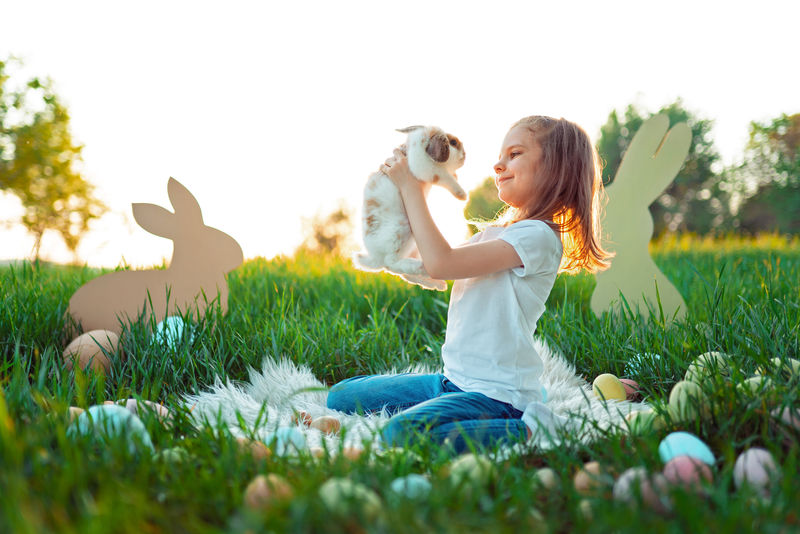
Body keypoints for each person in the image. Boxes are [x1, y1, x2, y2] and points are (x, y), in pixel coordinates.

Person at [327, 116, 611, 453]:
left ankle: (532, 430)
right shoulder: (498, 234)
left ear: (557, 169)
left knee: (400, 436)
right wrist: (408, 188)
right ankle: (470, 411)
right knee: (340, 396)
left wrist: (410, 187)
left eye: (515, 154)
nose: (498, 164)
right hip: (452, 383)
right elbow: (431, 265)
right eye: (501, 155)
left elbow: (441, 262)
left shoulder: (538, 238)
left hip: (497, 396)